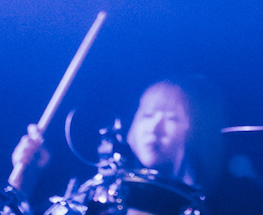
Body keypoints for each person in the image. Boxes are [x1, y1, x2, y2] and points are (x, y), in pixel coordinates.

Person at [8, 75, 224, 194]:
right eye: (147, 115)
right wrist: (25, 179)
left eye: (172, 118)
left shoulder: (214, 212)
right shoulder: (102, 189)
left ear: (200, 132)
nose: (153, 128)